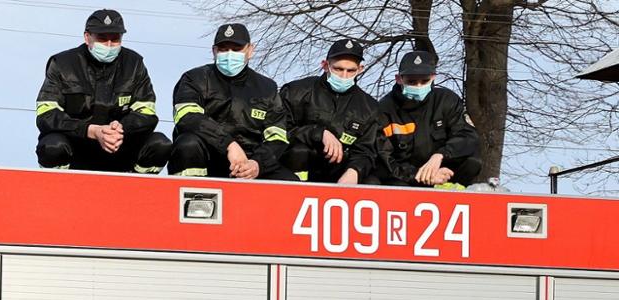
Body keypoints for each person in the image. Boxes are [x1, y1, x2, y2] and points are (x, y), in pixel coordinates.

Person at [34, 9, 171, 174]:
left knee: (160, 144)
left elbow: (147, 113)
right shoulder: (62, 63)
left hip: (120, 147)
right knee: (52, 146)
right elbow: (46, 115)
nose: (109, 45)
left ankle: (138, 185)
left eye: (115, 39)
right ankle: (60, 185)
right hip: (77, 146)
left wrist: (121, 128)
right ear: (87, 37)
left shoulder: (135, 64)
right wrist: (90, 130)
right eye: (102, 38)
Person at [170, 24, 294, 180]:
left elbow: (277, 137)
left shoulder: (267, 88)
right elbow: (188, 118)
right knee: (188, 145)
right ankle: (194, 192)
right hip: (207, 157)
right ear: (214, 51)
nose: (229, 55)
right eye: (223, 49)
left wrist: (257, 164)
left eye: (236, 49)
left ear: (250, 50)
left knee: (292, 183)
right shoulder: (194, 79)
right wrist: (229, 144)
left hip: (250, 161)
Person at [280, 38, 383, 184]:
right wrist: (318, 133)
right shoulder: (296, 92)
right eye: (338, 69)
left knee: (371, 181)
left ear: (360, 69)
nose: (344, 76)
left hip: (338, 171)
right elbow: (279, 131)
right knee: (299, 152)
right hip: (295, 166)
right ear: (325, 65)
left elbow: (366, 150)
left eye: (351, 70)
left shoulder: (369, 107)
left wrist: (355, 171)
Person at [379, 50, 483, 188]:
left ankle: (457, 195)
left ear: (433, 77)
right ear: (399, 79)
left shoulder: (447, 100)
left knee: (473, 161)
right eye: (412, 81)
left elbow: (467, 135)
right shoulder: (385, 109)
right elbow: (384, 156)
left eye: (424, 81)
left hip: (444, 170)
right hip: (406, 177)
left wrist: (440, 155)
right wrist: (419, 175)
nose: (418, 86)